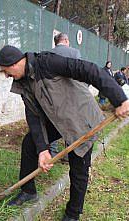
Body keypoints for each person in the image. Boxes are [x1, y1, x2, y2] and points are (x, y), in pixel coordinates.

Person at [0, 45, 129, 221]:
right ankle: (28, 191)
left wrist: (119, 99)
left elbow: (90, 70)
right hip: (57, 118)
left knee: (78, 164)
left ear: (15, 63)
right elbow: (33, 116)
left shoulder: (47, 63)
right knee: (30, 143)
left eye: (6, 71)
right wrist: (43, 149)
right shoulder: (22, 83)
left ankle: (73, 213)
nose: (6, 76)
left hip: (80, 117)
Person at [49, 32, 83, 160]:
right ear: (66, 41)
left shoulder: (48, 54)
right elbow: (81, 73)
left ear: (56, 42)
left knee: (52, 122)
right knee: (70, 124)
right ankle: (68, 155)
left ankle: (52, 152)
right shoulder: (74, 53)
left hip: (53, 96)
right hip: (71, 96)